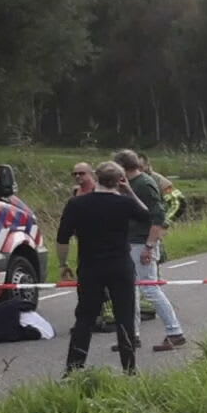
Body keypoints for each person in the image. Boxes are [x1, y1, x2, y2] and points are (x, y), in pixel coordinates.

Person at [57, 162, 151, 374]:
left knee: (85, 317)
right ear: (120, 180)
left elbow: (62, 238)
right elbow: (146, 215)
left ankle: (73, 369)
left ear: (96, 178)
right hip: (120, 266)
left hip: (90, 267)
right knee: (124, 317)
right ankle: (129, 369)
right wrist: (129, 191)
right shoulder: (124, 204)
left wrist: (63, 264)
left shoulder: (76, 204)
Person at [113, 149, 187, 352]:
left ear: (122, 167)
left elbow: (157, 216)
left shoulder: (144, 184)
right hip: (133, 242)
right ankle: (132, 335)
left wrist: (149, 246)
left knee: (150, 288)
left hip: (142, 242)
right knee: (131, 290)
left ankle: (175, 332)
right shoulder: (133, 184)